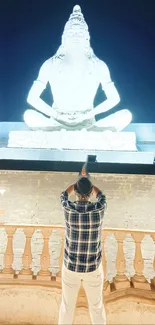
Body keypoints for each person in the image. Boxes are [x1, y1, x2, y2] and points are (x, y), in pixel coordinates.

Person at [24, 5, 132, 131]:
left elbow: (114, 98)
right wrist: (58, 115)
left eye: (80, 33)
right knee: (29, 115)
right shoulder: (50, 64)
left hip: (87, 123)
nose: (75, 36)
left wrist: (88, 115)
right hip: (57, 121)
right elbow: (32, 98)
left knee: (126, 115)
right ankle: (85, 137)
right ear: (64, 39)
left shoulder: (98, 65)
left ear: (87, 38)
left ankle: (68, 136)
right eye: (71, 33)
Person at [58, 164, 107, 324]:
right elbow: (102, 197)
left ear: (76, 192)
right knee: (97, 307)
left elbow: (63, 195)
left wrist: (77, 183)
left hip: (71, 267)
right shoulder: (98, 210)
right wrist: (89, 185)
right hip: (93, 268)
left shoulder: (68, 210)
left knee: (67, 307)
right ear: (91, 193)